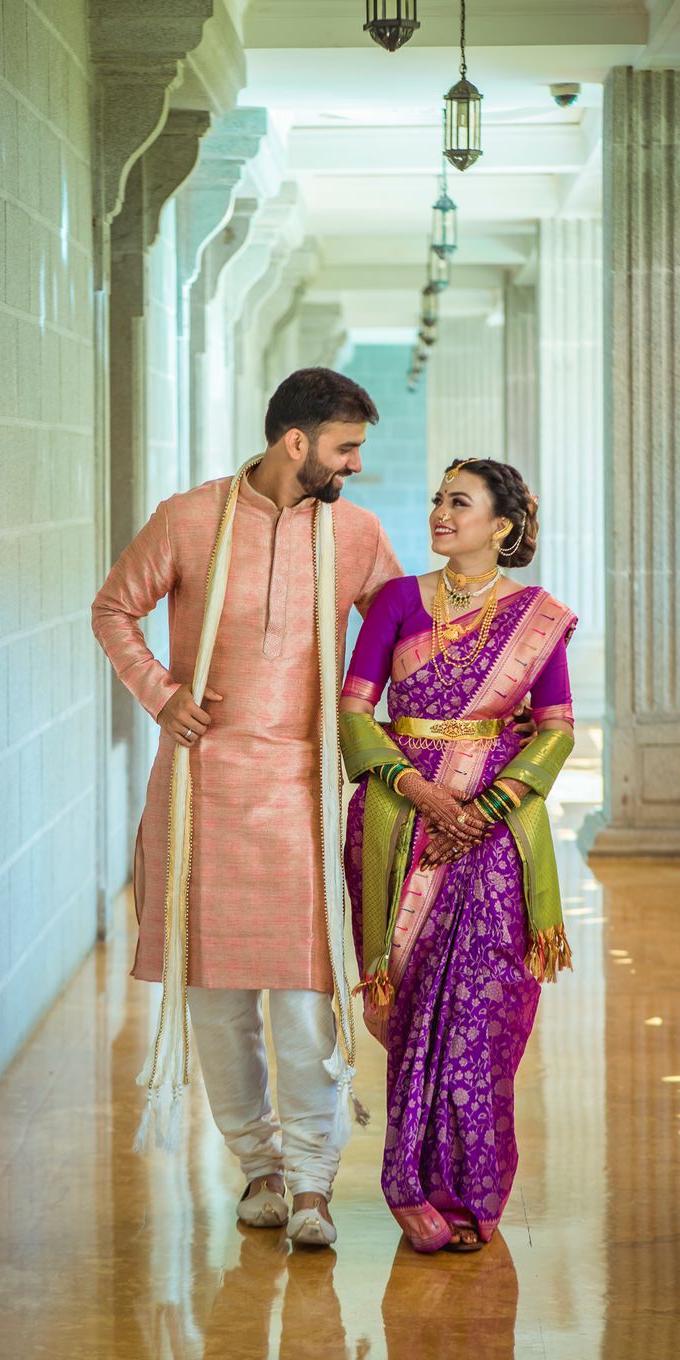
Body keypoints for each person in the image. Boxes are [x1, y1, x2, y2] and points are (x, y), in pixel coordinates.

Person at [91, 367, 403, 1248]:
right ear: (294, 443)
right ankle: (258, 1168)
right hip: (203, 791)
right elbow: (114, 608)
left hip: (302, 791)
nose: (353, 467)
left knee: (307, 1002)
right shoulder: (190, 519)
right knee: (219, 1004)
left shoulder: (357, 533)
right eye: (345, 449)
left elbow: (401, 637)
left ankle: (312, 1182)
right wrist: (160, 694)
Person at [339, 456, 577, 1254]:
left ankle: (475, 1192)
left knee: (482, 1012)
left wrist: (490, 807)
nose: (440, 512)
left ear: (501, 526)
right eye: (438, 498)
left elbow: (556, 728)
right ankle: (406, 1185)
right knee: (413, 1010)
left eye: (459, 502)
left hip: (497, 833)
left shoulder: (539, 617)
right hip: (402, 821)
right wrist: (421, 790)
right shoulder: (398, 603)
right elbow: (354, 713)